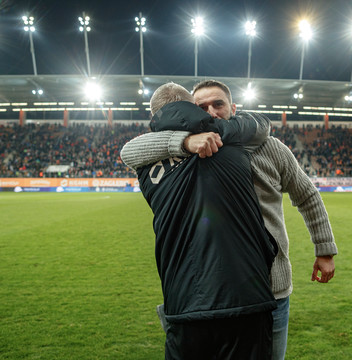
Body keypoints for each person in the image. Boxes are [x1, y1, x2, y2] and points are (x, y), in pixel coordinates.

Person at [121, 79, 338, 359]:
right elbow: (130, 150)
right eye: (201, 107)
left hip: (272, 285)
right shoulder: (191, 151)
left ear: (233, 108)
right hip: (207, 287)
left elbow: (307, 194)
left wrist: (325, 249)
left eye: (218, 104)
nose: (210, 112)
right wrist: (185, 142)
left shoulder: (269, 148)